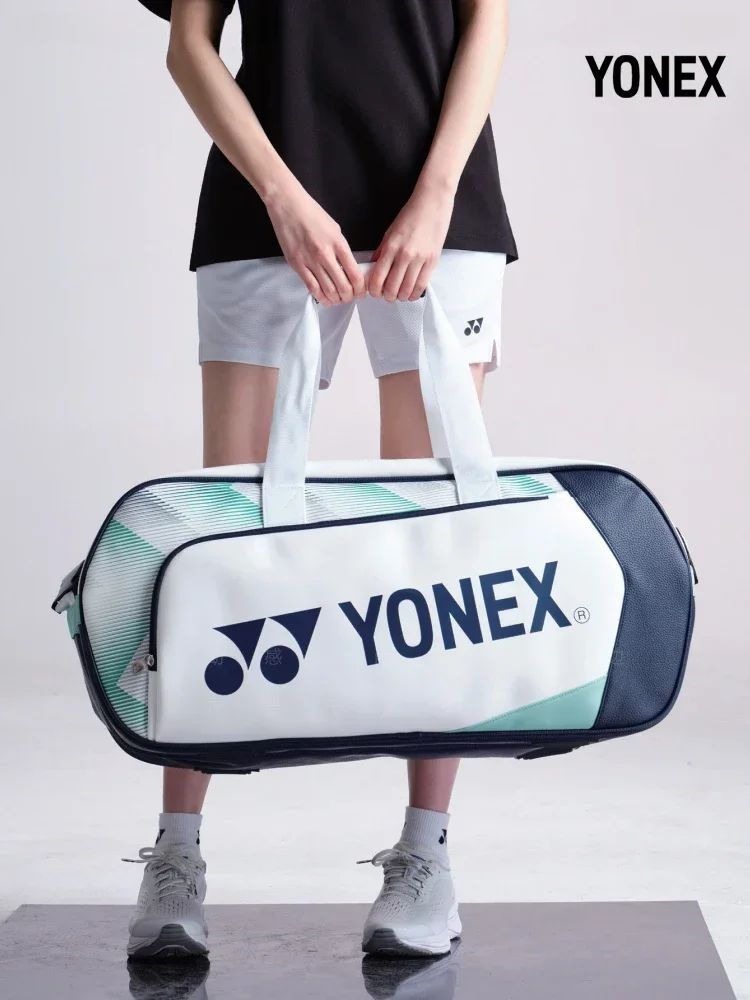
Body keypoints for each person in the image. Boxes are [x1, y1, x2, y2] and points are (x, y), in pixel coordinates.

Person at [127, 0, 517, 961]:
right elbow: (189, 44)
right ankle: (176, 852)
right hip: (268, 196)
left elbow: (488, 17)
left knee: (435, 544)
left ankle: (426, 851)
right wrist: (281, 197)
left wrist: (436, 194)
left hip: (438, 199)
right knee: (221, 544)